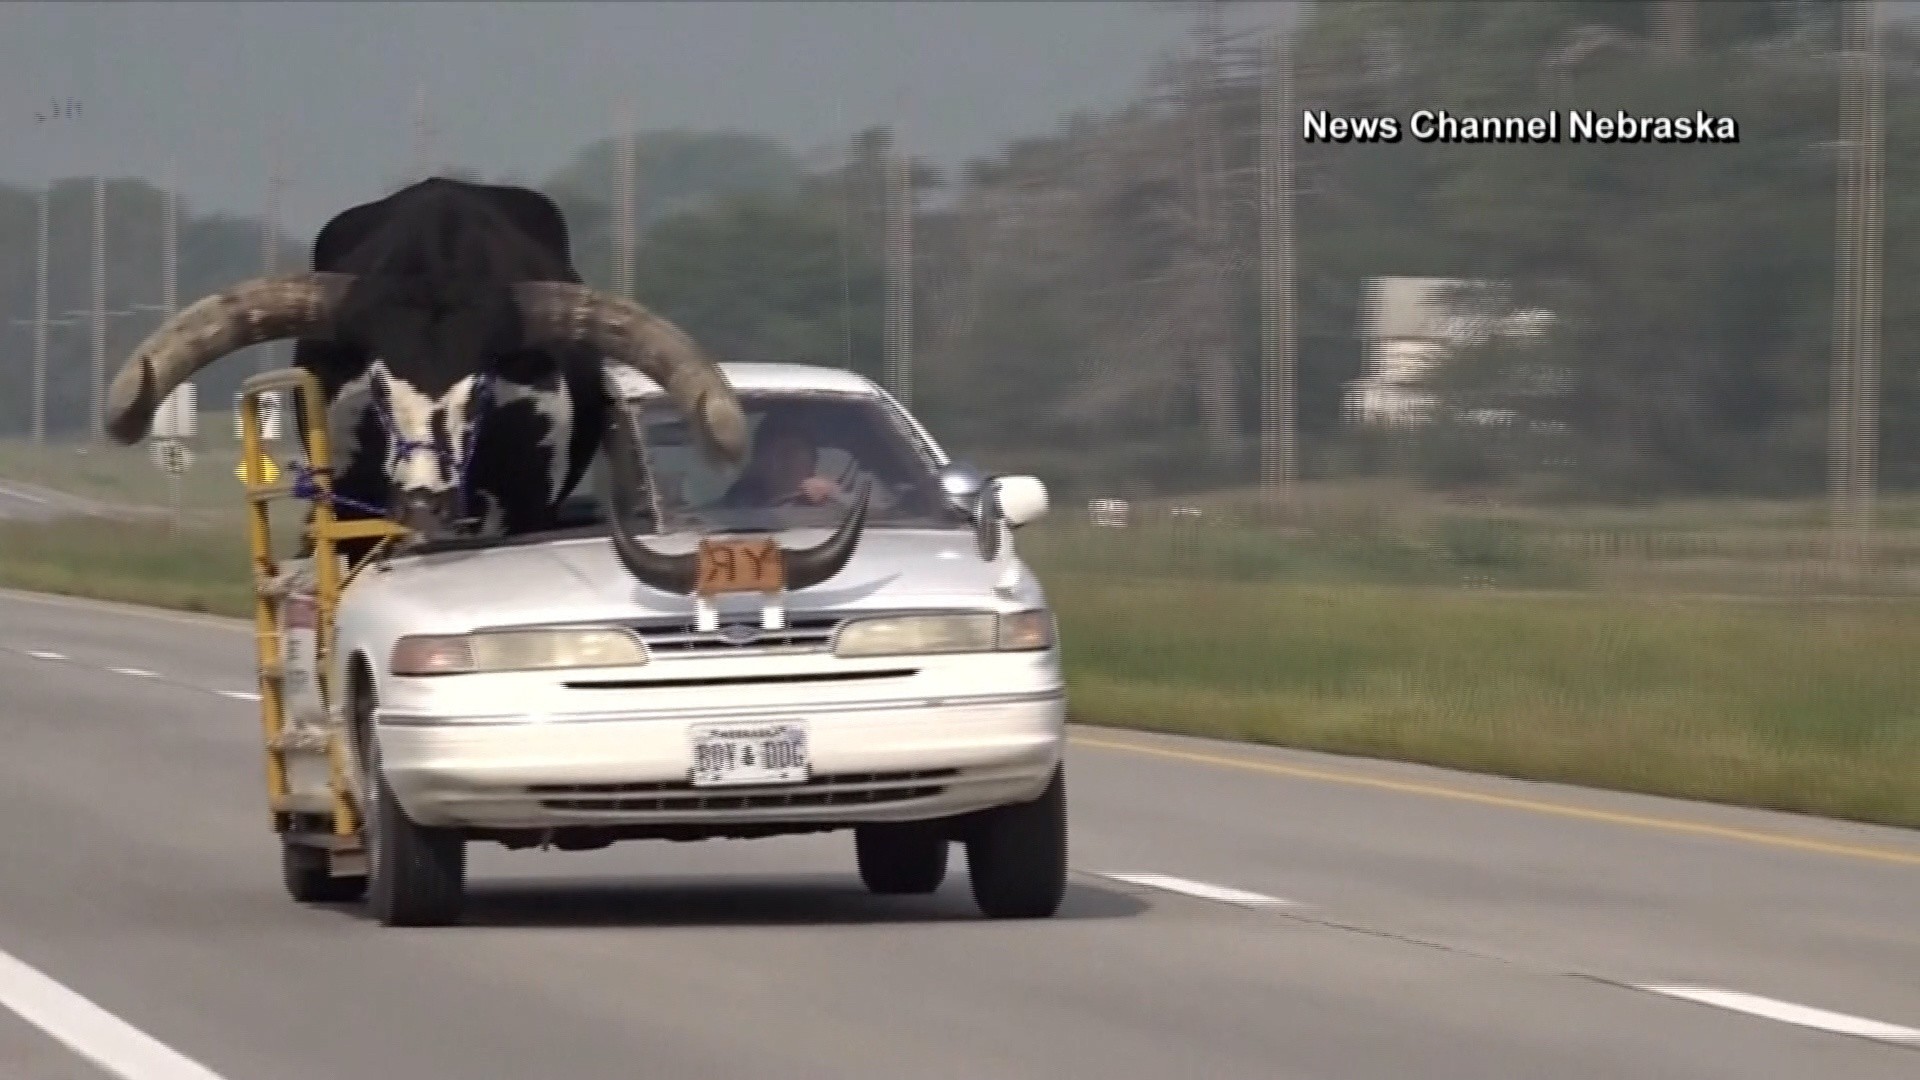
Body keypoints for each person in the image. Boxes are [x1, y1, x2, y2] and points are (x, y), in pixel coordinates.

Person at [717, 413, 849, 509]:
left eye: (790, 451)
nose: (778, 461)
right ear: (758, 461)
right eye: (770, 452)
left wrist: (836, 497)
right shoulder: (736, 505)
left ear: (812, 460)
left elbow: (862, 515)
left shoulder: (833, 501)